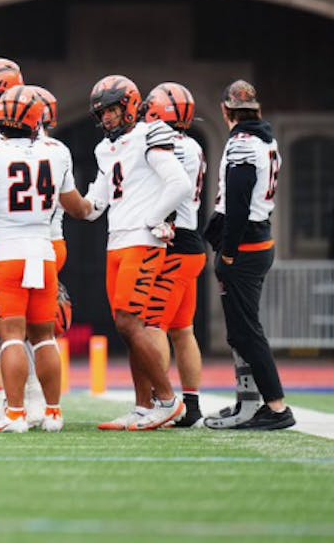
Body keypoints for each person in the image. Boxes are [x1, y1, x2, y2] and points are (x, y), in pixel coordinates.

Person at [0, 87, 92, 433]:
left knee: (11, 337)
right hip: (43, 252)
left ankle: (15, 414)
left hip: (7, 254)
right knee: (44, 337)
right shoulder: (57, 153)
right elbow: (76, 206)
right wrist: (95, 204)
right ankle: (53, 413)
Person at [84, 75, 191, 431]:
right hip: (117, 239)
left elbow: (179, 183)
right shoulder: (104, 149)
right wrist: (61, 194)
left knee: (129, 323)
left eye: (111, 110)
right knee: (131, 328)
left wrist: (153, 219)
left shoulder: (150, 134)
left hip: (142, 240)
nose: (106, 118)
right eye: (101, 113)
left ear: (129, 106)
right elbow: (95, 206)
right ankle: (143, 406)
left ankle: (168, 401)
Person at [203, 80, 294, 430]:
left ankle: (276, 407)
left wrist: (228, 252)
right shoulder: (266, 141)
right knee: (241, 331)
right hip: (258, 240)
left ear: (225, 110)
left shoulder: (242, 143)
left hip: (245, 247)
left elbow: (239, 204)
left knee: (246, 332)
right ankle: (249, 402)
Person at [141, 83, 208, 428]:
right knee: (183, 330)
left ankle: (163, 401)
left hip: (173, 242)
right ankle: (191, 406)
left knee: (154, 325)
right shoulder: (193, 144)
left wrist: (154, 220)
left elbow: (172, 187)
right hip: (191, 240)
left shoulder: (167, 146)